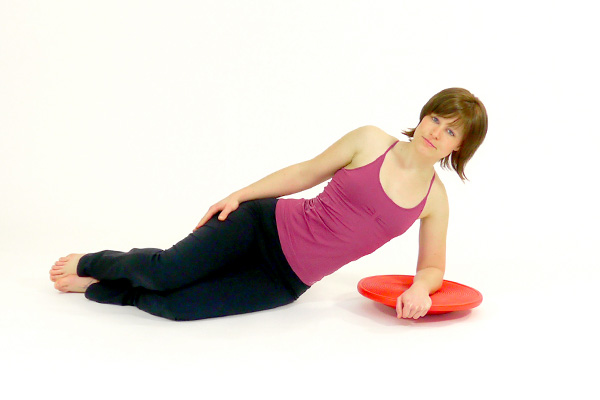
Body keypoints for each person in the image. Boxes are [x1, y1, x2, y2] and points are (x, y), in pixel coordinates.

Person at [49, 87, 488, 321]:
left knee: (176, 307)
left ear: (460, 146)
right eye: (436, 119)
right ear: (423, 116)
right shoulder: (371, 140)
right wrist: (239, 195)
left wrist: (418, 288)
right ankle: (94, 262)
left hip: (286, 281)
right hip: (263, 225)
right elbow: (305, 173)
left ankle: (100, 290)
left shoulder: (435, 200)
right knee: (167, 272)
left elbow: (432, 267)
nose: (436, 132)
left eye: (451, 131)